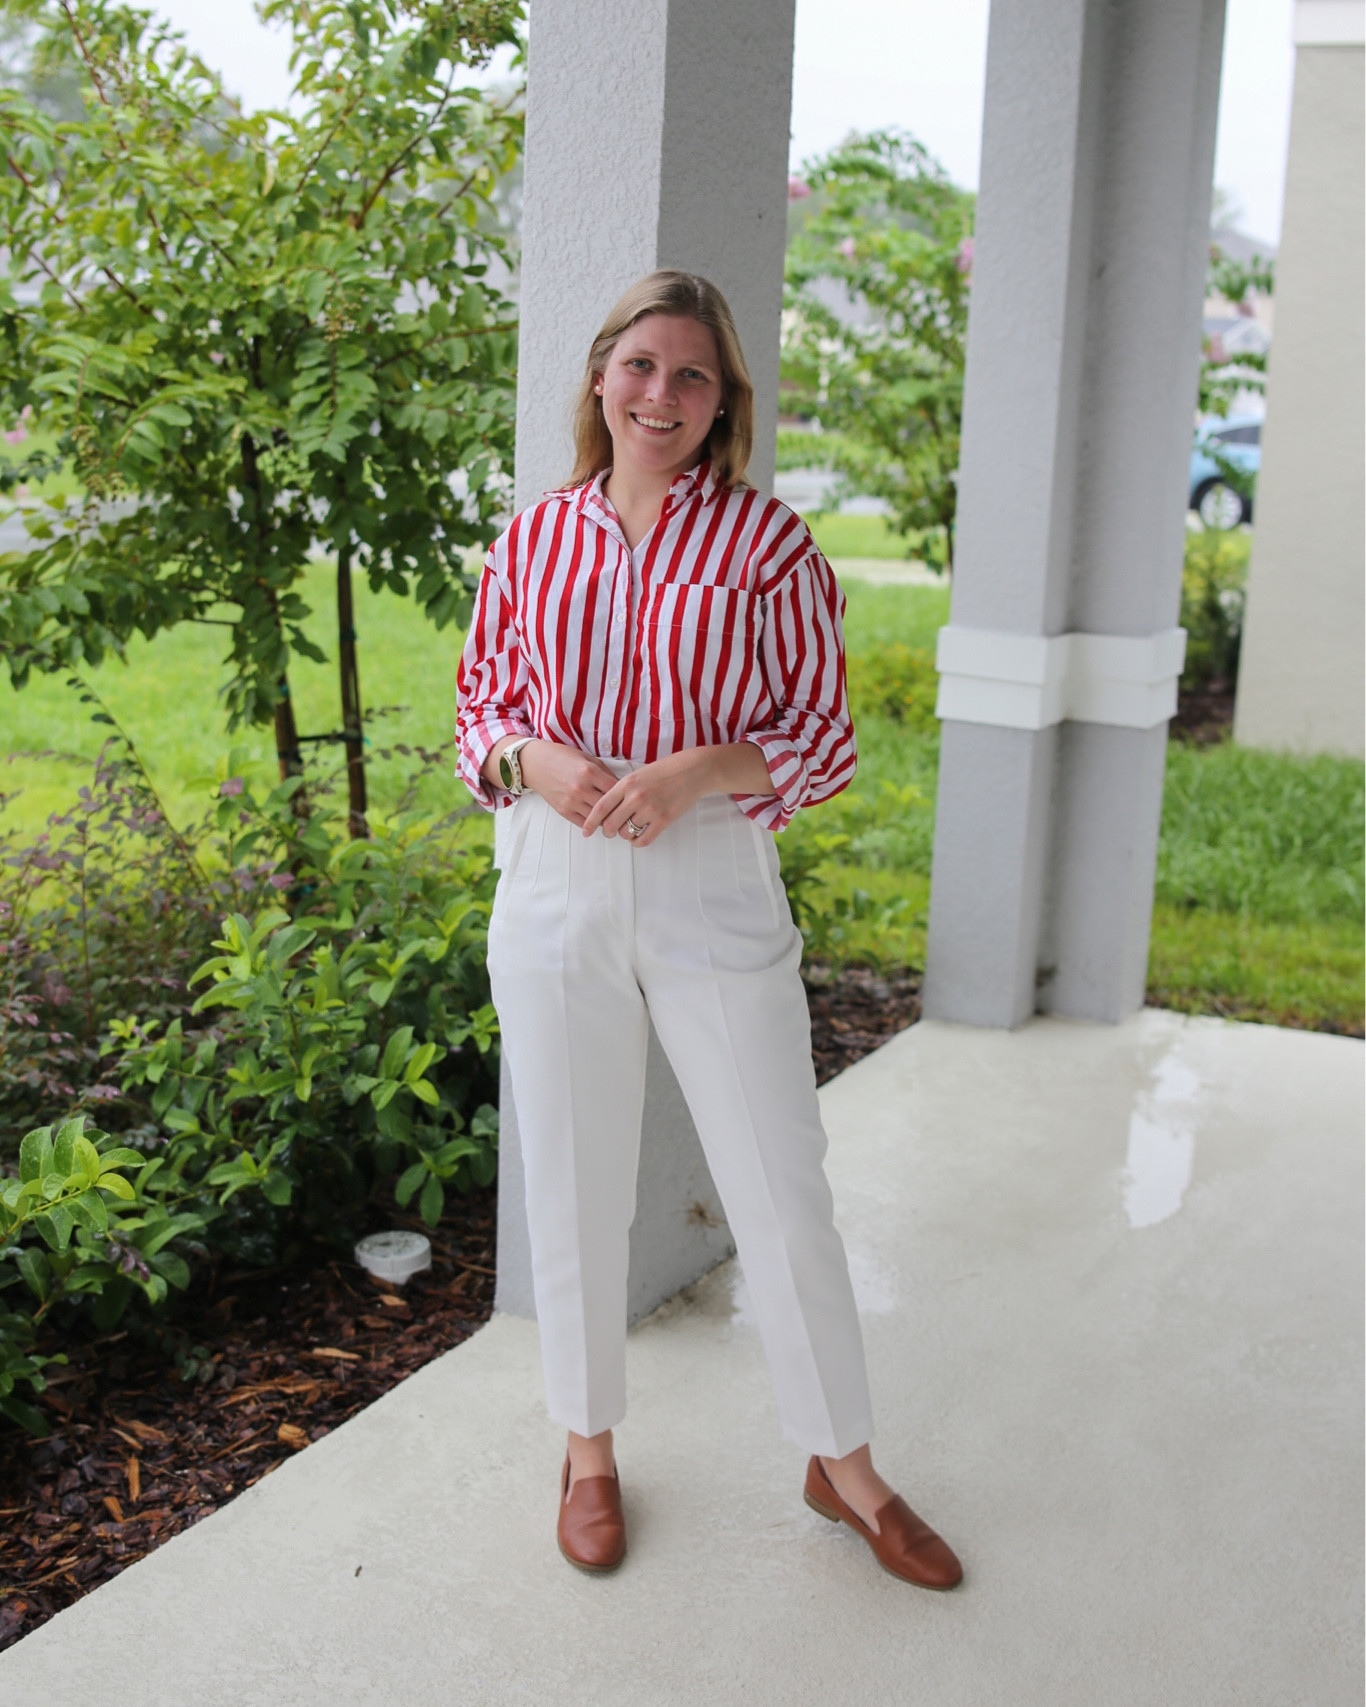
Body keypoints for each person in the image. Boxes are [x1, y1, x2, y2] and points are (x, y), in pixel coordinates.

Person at [455, 269, 961, 1589]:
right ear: (598, 378)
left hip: (709, 889)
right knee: (569, 1182)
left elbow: (823, 734)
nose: (660, 396)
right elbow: (477, 708)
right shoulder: (532, 539)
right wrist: (534, 763)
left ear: (723, 399)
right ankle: (585, 1449)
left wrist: (690, 771)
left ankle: (841, 1463)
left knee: (779, 1189)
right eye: (639, 366)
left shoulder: (767, 547)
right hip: (555, 884)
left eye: (691, 376)